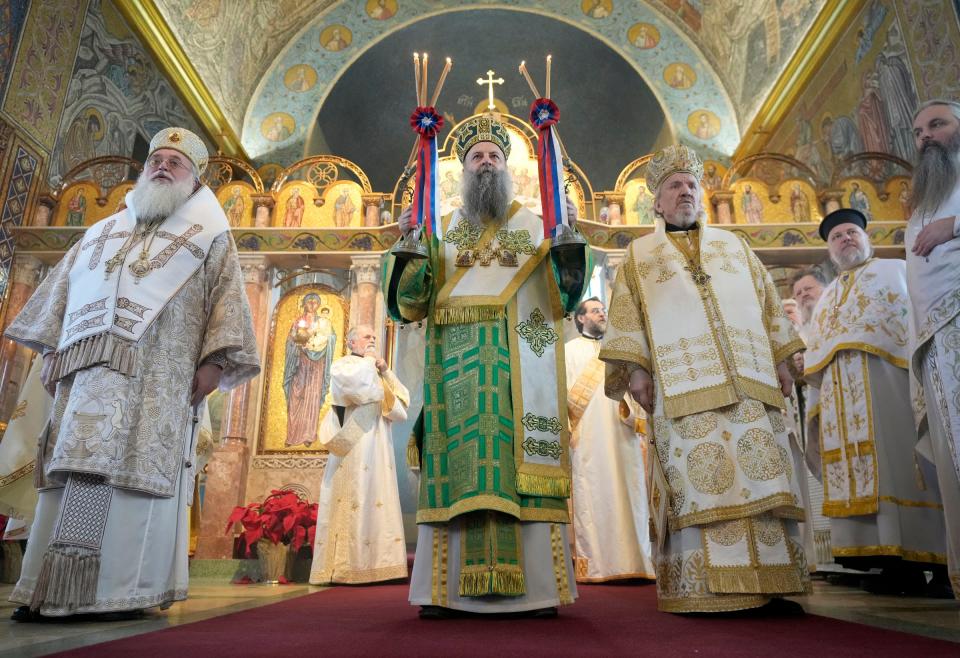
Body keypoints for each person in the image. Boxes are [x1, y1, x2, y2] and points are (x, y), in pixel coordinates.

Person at [4, 127, 260, 621]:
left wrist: (214, 362)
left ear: (194, 181)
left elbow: (227, 300)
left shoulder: (208, 236)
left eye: (175, 163)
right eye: (156, 160)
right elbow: (59, 298)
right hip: (84, 379)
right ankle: (49, 590)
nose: (162, 166)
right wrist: (53, 352)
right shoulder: (101, 232)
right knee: (71, 474)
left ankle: (118, 593)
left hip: (157, 382)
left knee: (130, 479)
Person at [386, 115, 588, 617]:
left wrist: (568, 253)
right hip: (454, 373)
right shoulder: (441, 230)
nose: (484, 163)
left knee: (519, 468)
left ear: (507, 169)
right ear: (462, 170)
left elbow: (564, 297)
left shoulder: (536, 229)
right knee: (461, 471)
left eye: (493, 157)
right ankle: (444, 592)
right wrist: (409, 244)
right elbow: (410, 304)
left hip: (521, 375)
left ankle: (538, 592)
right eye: (475, 156)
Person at [600, 144, 810, 614]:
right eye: (674, 186)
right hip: (682, 387)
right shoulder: (639, 255)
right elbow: (628, 317)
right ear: (655, 201)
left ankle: (773, 585)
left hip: (750, 380)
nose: (685, 192)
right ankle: (710, 589)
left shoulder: (734, 246)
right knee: (702, 480)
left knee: (763, 482)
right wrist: (637, 370)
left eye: (691, 184)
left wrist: (781, 357)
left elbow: (768, 305)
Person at [805, 208, 947, 593]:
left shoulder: (895, 271)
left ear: (867, 238)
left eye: (852, 232)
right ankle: (893, 564)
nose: (845, 239)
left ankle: (937, 563)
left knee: (904, 467)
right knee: (867, 474)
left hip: (893, 390)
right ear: (829, 250)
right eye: (837, 237)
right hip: (841, 402)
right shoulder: (829, 294)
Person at [906, 99, 960, 596]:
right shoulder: (923, 200)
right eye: (919, 130)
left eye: (938, 124)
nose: (926, 137)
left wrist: (956, 226)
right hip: (938, 347)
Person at [308, 325, 409, 585]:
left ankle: (379, 565)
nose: (372, 340)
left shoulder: (374, 370)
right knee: (357, 493)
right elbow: (357, 392)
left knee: (377, 494)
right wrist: (372, 368)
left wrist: (385, 371)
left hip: (379, 444)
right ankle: (347, 567)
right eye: (366, 337)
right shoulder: (343, 365)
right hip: (356, 444)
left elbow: (400, 408)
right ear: (351, 342)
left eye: (374, 337)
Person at [566, 297, 655, 582]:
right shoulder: (568, 352)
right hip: (588, 440)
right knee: (592, 494)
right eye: (595, 311)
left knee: (631, 495)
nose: (601, 314)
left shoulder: (620, 352)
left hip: (623, 433)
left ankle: (638, 561)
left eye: (603, 310)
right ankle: (597, 565)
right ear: (581, 318)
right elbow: (564, 397)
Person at [283, 296, 336, 447]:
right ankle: (292, 435)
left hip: (316, 365)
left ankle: (309, 434)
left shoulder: (323, 322)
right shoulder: (297, 321)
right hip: (299, 363)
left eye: (315, 302)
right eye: (309, 301)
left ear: (319, 305)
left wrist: (320, 342)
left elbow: (331, 338)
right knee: (296, 394)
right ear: (303, 304)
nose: (312, 304)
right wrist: (297, 343)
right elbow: (290, 341)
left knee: (312, 396)